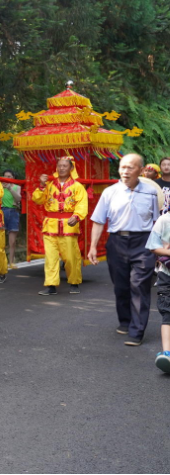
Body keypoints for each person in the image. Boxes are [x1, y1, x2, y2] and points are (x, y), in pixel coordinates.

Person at [88, 153, 160, 347]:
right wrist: (93, 246)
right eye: (122, 167)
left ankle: (137, 331)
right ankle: (125, 321)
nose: (125, 171)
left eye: (130, 167)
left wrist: (159, 248)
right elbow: (98, 221)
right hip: (117, 242)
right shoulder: (109, 192)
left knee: (139, 286)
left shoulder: (151, 192)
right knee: (121, 286)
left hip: (143, 242)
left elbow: (156, 222)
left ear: (141, 170)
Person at [32, 156, 88, 295]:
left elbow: (82, 204)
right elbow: (37, 199)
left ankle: (74, 282)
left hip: (69, 225)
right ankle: (51, 285)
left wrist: (76, 217)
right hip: (51, 225)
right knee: (50, 257)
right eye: (59, 166)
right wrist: (41, 185)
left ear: (71, 168)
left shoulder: (77, 186)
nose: (62, 168)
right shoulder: (49, 185)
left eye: (65, 166)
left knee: (70, 257)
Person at [146, 211, 170, 373]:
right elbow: (152, 246)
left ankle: (167, 353)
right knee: (167, 313)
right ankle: (167, 353)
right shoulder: (164, 219)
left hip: (165, 273)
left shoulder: (164, 219)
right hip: (166, 274)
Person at [1, 170, 22, 268]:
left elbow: (18, 199)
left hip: (13, 212)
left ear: (13, 177)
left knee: (12, 241)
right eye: (5, 176)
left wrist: (10, 188)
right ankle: (1, 262)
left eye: (9, 176)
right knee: (0, 240)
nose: (6, 178)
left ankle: (11, 262)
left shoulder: (17, 187)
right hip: (1, 212)